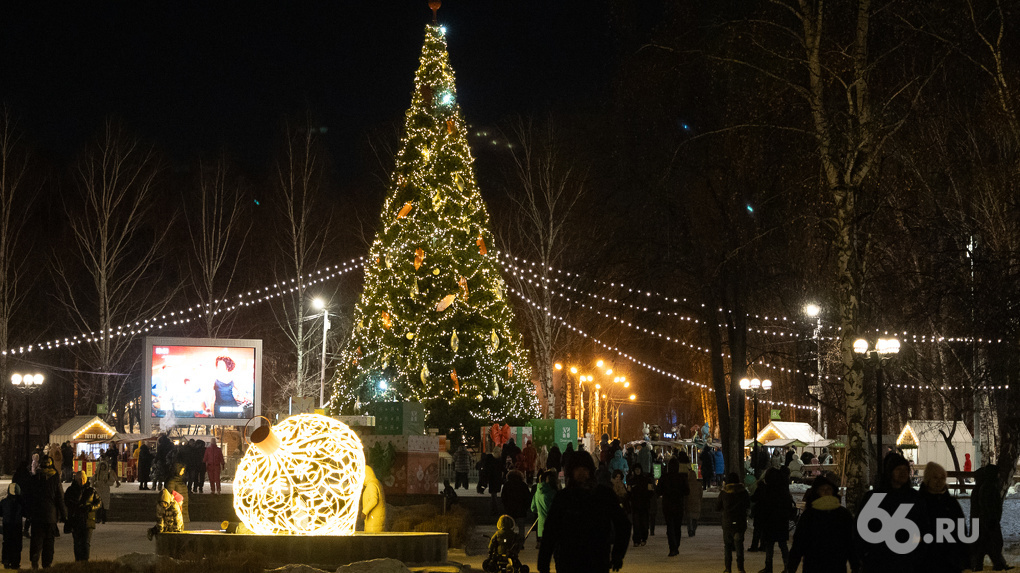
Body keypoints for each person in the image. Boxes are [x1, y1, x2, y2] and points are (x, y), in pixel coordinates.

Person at [537, 446, 630, 573]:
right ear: (571, 471)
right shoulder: (564, 497)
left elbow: (623, 524)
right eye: (577, 469)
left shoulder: (603, 495)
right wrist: (543, 562)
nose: (581, 472)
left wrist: (618, 554)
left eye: (584, 468)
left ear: (590, 471)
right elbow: (550, 531)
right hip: (568, 561)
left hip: (596, 560)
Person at [856, 452, 923, 573]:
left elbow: (922, 525)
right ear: (890, 472)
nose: (903, 473)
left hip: (906, 561)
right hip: (878, 561)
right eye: (898, 469)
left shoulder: (914, 497)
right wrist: (864, 555)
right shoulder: (873, 497)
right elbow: (860, 529)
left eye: (905, 470)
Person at [788, 475, 857, 573]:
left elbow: (850, 541)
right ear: (817, 492)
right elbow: (799, 542)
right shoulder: (810, 515)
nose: (826, 492)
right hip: (813, 565)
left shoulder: (843, 514)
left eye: (828, 489)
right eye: (822, 489)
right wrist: (792, 566)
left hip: (836, 565)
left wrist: (855, 564)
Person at [915, 462, 969, 573]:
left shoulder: (951, 503)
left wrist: (964, 557)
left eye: (942, 478)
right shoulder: (919, 503)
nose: (939, 481)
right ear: (928, 479)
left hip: (950, 560)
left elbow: (961, 530)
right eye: (935, 477)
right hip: (926, 560)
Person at [752, 467, 795, 573]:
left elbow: (763, 505)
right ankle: (787, 567)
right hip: (781, 521)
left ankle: (769, 567)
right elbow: (788, 506)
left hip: (770, 521)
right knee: (782, 545)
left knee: (770, 545)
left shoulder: (767, 490)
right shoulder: (783, 490)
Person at [27, 456, 66, 569]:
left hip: (37, 516)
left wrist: (29, 512)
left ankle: (34, 561)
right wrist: (64, 515)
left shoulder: (35, 478)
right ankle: (47, 564)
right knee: (49, 542)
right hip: (50, 516)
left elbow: (29, 497)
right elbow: (60, 498)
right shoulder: (54, 478)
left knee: (36, 540)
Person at [971, 463, 1010, 571]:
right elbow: (989, 505)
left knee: (984, 544)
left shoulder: (986, 487)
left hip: (987, 519)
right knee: (993, 542)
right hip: (989, 520)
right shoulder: (989, 487)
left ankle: (989, 564)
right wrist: (993, 518)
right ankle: (996, 564)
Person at [64, 470, 101, 562]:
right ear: (76, 479)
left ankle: (85, 562)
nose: (82, 481)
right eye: (80, 479)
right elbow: (66, 502)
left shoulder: (91, 491)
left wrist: (91, 507)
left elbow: (99, 502)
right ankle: (78, 562)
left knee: (85, 543)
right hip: (75, 520)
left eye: (84, 479)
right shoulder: (70, 490)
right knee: (77, 543)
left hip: (88, 520)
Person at [657, 457, 690, 557]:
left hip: (667, 504)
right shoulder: (681, 477)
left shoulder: (664, 477)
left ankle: (673, 547)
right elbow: (687, 491)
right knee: (677, 526)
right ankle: (676, 546)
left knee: (670, 526)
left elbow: (658, 491)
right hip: (678, 504)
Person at [718, 472, 751, 573]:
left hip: (727, 522)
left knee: (727, 546)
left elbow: (717, 507)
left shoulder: (724, 493)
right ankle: (740, 568)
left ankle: (728, 568)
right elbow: (748, 505)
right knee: (739, 546)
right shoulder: (743, 492)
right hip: (740, 522)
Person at [628, 463, 654, 547]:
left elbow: (651, 492)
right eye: (636, 469)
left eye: (638, 469)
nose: (637, 471)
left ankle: (643, 538)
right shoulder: (631, 481)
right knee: (636, 523)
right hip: (635, 505)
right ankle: (637, 539)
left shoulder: (646, 480)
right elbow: (629, 493)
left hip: (644, 504)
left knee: (644, 523)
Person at [531, 470, 558, 550]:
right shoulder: (554, 493)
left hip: (541, 526)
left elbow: (533, 508)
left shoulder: (537, 492)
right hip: (554, 525)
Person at [1, 483, 25, 570]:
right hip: (17, 526)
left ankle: (6, 560)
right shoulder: (20, 503)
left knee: (7, 543)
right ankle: (15, 562)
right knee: (17, 544)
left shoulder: (3, 502)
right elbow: (25, 512)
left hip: (7, 525)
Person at [93, 459, 119, 524]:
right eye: (101, 466)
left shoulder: (108, 474)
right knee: (98, 505)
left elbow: (112, 481)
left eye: (103, 466)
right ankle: (98, 518)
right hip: (98, 490)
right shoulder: (97, 474)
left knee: (104, 506)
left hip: (105, 490)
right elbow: (92, 480)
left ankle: (103, 519)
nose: (102, 467)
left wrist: (106, 482)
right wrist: (94, 484)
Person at [361, 466, 386, 533]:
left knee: (371, 540)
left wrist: (364, 512)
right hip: (377, 519)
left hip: (374, 521)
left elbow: (374, 500)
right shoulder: (376, 483)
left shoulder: (371, 485)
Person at [686, 461, 703, 536]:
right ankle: (694, 529)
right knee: (695, 518)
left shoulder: (687, 484)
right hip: (696, 503)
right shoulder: (698, 484)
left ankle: (690, 530)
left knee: (689, 518)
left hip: (689, 503)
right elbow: (701, 494)